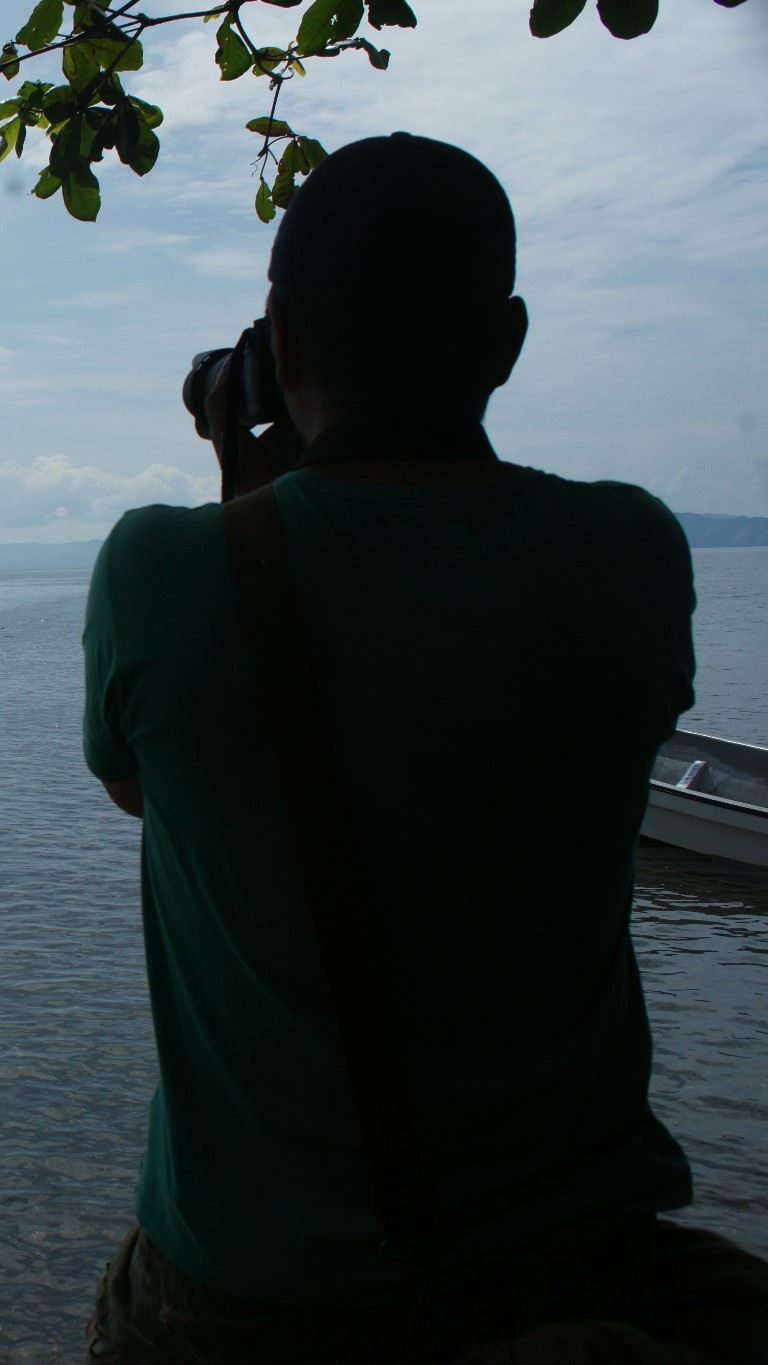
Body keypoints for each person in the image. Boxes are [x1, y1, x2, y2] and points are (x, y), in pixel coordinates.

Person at [80, 133, 768, 1363]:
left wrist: (250, 495)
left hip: (247, 1293)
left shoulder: (158, 570)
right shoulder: (627, 555)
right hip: (564, 1269)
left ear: (278, 343)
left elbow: (147, 789)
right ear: (503, 344)